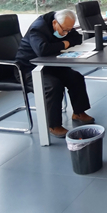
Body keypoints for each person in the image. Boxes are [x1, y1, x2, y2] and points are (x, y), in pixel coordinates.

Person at [15, 9, 95, 138]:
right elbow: (42, 50)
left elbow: (78, 38)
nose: (66, 33)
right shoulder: (38, 29)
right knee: (53, 85)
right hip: (28, 69)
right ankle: (53, 125)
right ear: (54, 23)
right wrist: (64, 43)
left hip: (50, 65)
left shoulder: (64, 23)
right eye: (64, 30)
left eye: (69, 30)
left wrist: (63, 42)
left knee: (76, 77)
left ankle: (79, 112)